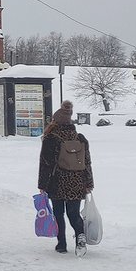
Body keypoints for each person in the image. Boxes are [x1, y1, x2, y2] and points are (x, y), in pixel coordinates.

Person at [38, 100, 94, 255]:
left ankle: (61, 243)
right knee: (73, 213)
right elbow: (87, 162)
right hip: (77, 181)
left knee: (58, 213)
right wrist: (88, 182)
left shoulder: (51, 138)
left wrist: (42, 184)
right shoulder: (80, 138)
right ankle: (80, 236)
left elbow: (45, 164)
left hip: (57, 181)